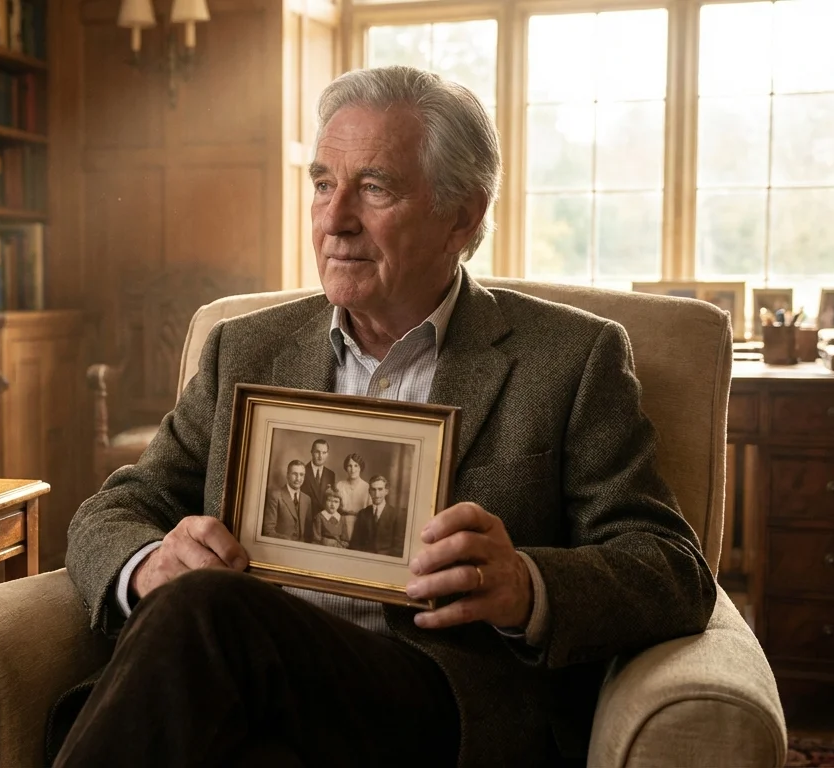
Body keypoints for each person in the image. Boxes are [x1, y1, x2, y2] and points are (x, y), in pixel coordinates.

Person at [55, 66, 715, 767]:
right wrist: (148, 563)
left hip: (433, 701)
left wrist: (525, 584)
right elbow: (115, 508)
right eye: (321, 185)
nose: (335, 220)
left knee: (208, 610)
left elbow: (672, 569)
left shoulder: (571, 358)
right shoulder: (245, 348)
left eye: (374, 188)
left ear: (463, 215)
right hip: (243, 688)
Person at [347, 475, 405, 557]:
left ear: (386, 491)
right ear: (369, 491)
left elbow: (399, 547)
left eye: (380, 489)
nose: (377, 494)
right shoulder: (362, 514)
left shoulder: (396, 515)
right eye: (373, 490)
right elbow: (354, 544)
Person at [261, 460, 311, 541]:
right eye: (294, 474)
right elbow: (268, 531)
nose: (298, 478)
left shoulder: (307, 499)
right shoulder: (275, 496)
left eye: (301, 475)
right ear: (287, 475)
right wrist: (287, 541)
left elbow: (308, 532)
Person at [333, 452, 371, 540]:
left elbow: (370, 513)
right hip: (342, 524)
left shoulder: (367, 487)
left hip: (360, 525)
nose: (352, 469)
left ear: (361, 467)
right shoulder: (340, 485)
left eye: (356, 465)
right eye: (349, 466)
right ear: (346, 468)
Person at [299, 438, 335, 516]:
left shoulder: (331, 474)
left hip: (324, 519)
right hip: (305, 517)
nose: (320, 456)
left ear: (327, 454)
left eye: (324, 452)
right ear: (312, 452)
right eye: (317, 452)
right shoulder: (302, 471)